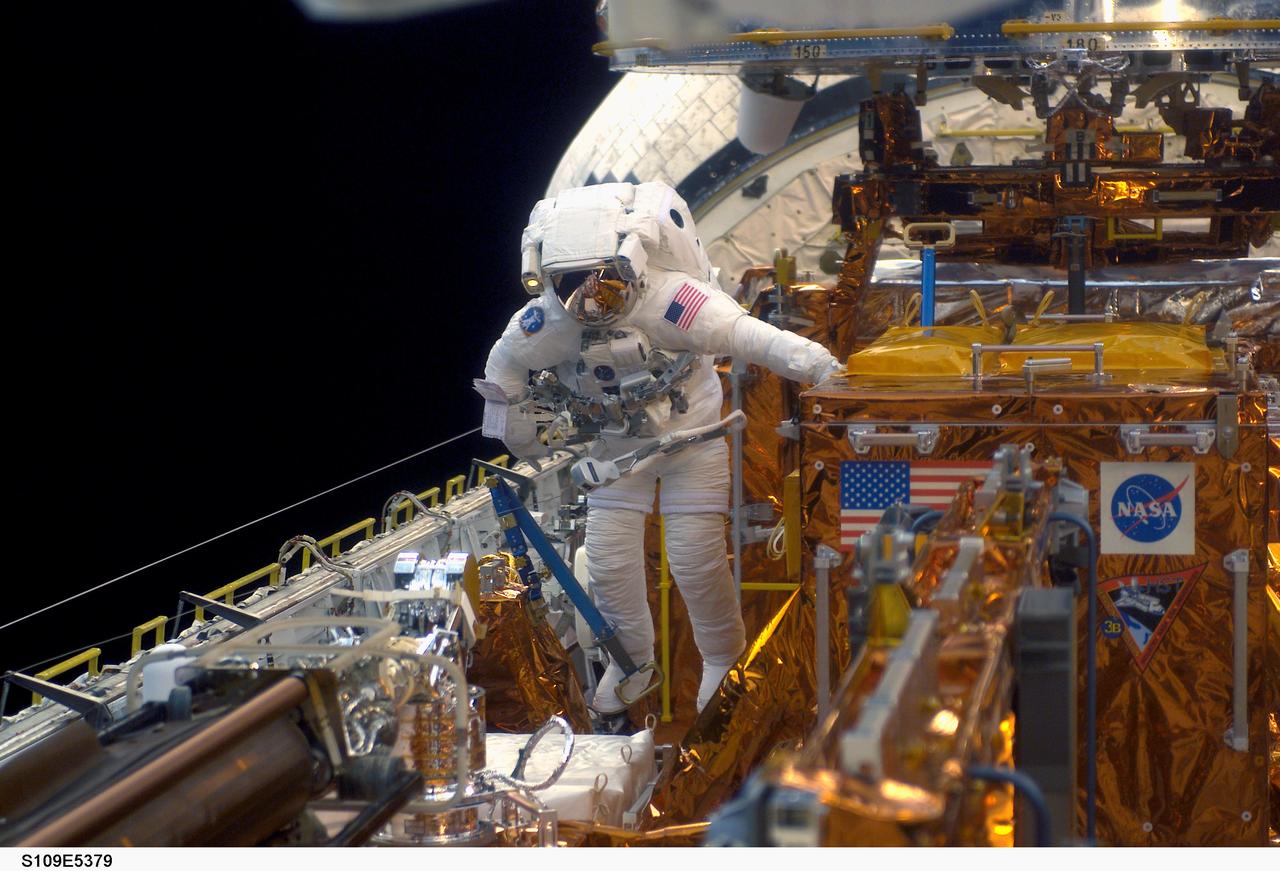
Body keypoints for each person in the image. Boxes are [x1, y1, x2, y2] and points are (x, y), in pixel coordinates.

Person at [480, 182, 837, 727]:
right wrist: (516, 429)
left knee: (695, 562)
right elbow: (503, 369)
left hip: (690, 440)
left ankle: (721, 659)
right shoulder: (551, 321)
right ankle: (634, 661)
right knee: (608, 562)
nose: (588, 298)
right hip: (616, 448)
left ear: (629, 263)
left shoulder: (674, 300)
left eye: (600, 280)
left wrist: (820, 367)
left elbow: (750, 336)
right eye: (570, 284)